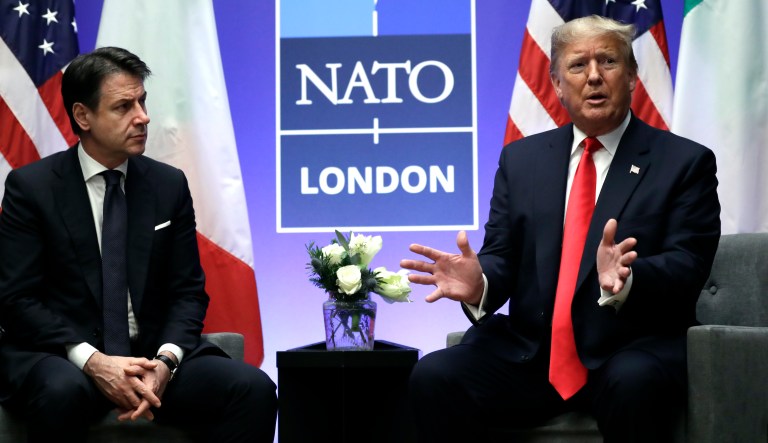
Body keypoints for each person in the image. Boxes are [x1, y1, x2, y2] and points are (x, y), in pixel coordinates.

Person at [401, 15, 720, 443]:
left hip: (630, 350)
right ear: (555, 83)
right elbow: (502, 255)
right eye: (577, 65)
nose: (593, 76)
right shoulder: (521, 161)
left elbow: (689, 263)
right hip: (532, 355)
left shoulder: (684, 163)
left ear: (630, 77)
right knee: (434, 375)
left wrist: (628, 279)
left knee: (633, 382)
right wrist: (480, 285)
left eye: (607, 61)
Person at [0, 47, 277, 442]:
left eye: (143, 101)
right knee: (59, 392)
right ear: (83, 116)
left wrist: (165, 362)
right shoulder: (33, 188)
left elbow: (188, 293)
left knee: (252, 389)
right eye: (124, 106)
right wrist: (93, 361)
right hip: (66, 358)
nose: (143, 117)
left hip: (150, 356)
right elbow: (18, 300)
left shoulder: (168, 185)